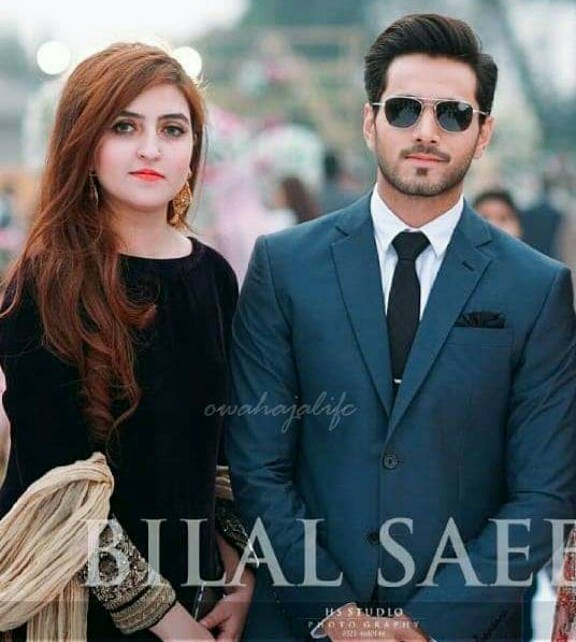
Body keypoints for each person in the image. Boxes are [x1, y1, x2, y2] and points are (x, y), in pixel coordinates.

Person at [225, 13, 576, 642]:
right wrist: (335, 615)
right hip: (301, 623)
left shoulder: (538, 287)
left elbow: (544, 495)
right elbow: (258, 468)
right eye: (404, 109)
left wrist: (423, 625)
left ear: (484, 131)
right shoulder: (283, 267)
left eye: (453, 114)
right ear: (370, 121)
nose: (426, 131)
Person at [0, 42, 253, 641]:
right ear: (84, 145)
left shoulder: (213, 274)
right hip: (70, 596)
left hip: (196, 584)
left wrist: (242, 574)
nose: (150, 148)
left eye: (172, 128)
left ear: (193, 149)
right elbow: (56, 478)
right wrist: (164, 622)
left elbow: (224, 444)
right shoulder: (44, 280)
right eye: (124, 126)